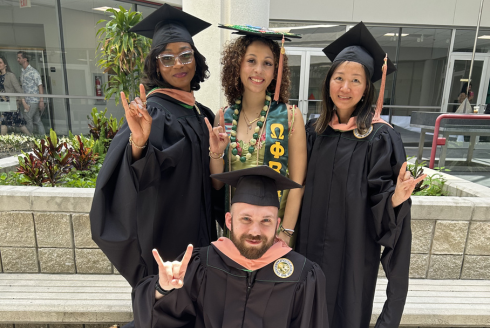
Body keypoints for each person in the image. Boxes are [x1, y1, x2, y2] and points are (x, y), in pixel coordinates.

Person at [296, 22, 426, 328]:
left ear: (368, 87)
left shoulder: (380, 138)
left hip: (352, 258)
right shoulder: (313, 132)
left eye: (356, 80)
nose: (345, 88)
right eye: (339, 78)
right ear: (328, 82)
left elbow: (387, 215)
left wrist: (395, 199)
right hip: (307, 251)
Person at [90, 4, 219, 290]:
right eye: (167, 58)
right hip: (167, 229)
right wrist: (139, 143)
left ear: (196, 60)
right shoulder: (152, 112)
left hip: (203, 230)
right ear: (156, 65)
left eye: (186, 55)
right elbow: (134, 176)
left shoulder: (204, 114)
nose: (178, 64)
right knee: (169, 301)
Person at [133, 166, 328, 328]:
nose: (255, 230)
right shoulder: (203, 264)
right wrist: (162, 290)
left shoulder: (303, 274)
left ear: (277, 225)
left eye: (266, 221)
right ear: (229, 220)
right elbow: (161, 319)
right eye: (246, 218)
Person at [206, 25, 306, 246]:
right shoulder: (224, 117)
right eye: (251, 60)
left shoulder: (290, 117)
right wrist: (216, 153)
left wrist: (286, 233)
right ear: (237, 65)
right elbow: (217, 185)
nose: (258, 70)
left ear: (276, 71)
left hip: (276, 231)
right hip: (236, 231)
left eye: (267, 63)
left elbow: (297, 183)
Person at [0, 55, 31, 135]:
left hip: (11, 102)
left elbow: (19, 90)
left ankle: (31, 137)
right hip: (2, 103)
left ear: (5, 64)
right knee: (4, 123)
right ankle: (3, 143)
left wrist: (24, 103)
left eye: (0, 63)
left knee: (19, 123)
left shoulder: (10, 75)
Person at [17, 51, 45, 136]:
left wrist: (41, 100)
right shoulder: (23, 72)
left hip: (33, 100)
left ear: (25, 59)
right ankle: (43, 137)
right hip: (27, 100)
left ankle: (29, 137)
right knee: (37, 120)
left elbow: (40, 85)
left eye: (19, 58)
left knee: (27, 117)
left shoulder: (33, 72)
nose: (17, 60)